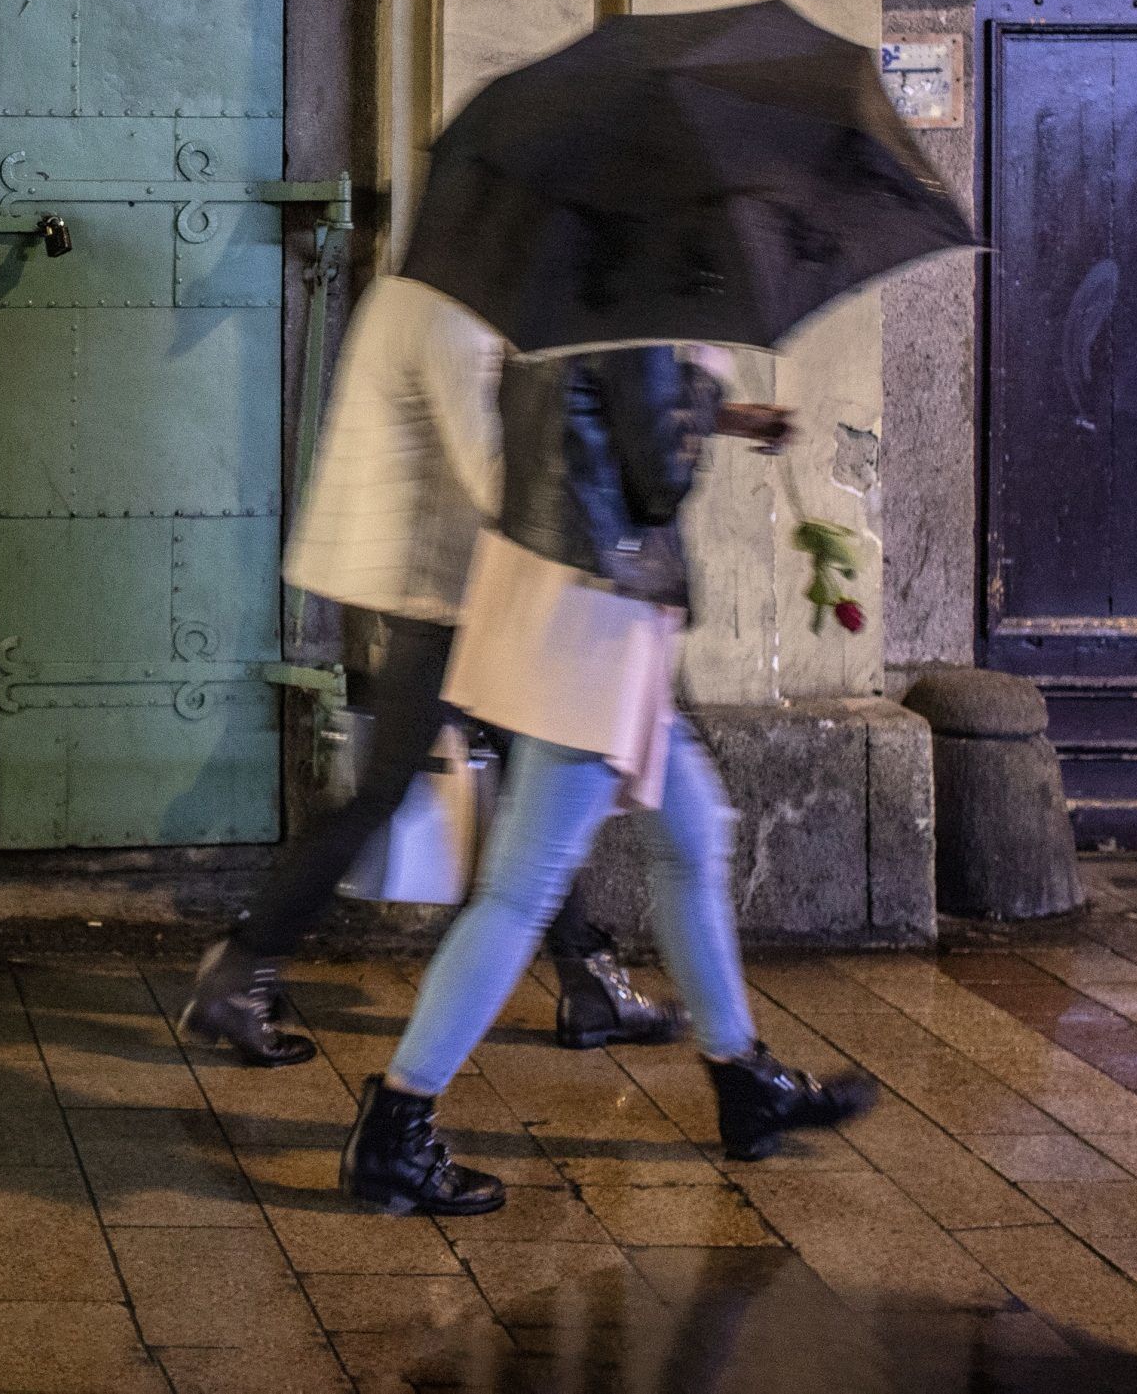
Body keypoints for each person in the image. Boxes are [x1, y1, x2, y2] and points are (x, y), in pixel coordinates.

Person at [338, 343, 875, 1216]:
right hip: (596, 623)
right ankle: (396, 1125)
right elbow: (657, 479)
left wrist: (720, 414)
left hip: (564, 600)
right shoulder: (643, 308)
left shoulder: (573, 289)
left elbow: (593, 413)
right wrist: (702, 387)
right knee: (518, 893)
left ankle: (744, 1078)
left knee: (696, 835)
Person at [176, 273, 676, 1068]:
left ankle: (590, 979)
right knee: (407, 791)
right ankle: (237, 972)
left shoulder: (425, 295)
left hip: (453, 590)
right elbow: (490, 477)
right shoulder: (448, 313)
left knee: (529, 779)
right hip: (444, 594)